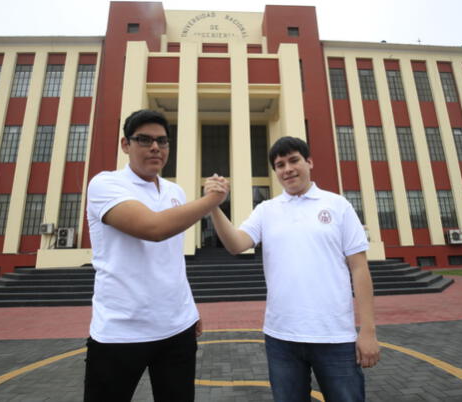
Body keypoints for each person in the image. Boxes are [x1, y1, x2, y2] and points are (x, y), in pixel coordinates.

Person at [204, 136, 380, 402]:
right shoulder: (266, 210)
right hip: (281, 337)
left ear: (309, 162)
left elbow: (359, 268)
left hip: (335, 336)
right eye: (280, 164)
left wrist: (368, 331)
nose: (287, 169)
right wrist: (214, 205)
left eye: (294, 160)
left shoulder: (337, 205)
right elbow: (236, 245)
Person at [84, 109, 227, 401]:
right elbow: (153, 228)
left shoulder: (175, 191)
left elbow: (171, 259)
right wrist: (213, 199)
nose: (155, 148)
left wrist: (190, 306)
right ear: (126, 145)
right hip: (121, 332)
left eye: (162, 141)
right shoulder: (106, 184)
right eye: (144, 140)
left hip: (177, 328)